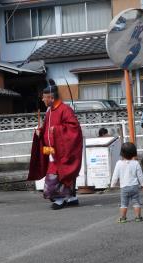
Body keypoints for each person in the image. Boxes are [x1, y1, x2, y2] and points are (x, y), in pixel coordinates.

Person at [28, 79, 83, 210]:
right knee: (58, 174)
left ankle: (60, 199)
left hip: (63, 150)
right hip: (51, 150)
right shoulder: (49, 112)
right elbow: (46, 127)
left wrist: (57, 130)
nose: (42, 100)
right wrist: (40, 131)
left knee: (56, 175)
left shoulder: (65, 110)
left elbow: (74, 128)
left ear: (51, 98)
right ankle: (71, 198)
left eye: (44, 97)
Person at [110, 142, 143, 223]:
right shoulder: (136, 163)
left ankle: (123, 218)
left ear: (121, 153)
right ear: (134, 153)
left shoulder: (119, 163)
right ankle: (138, 217)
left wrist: (113, 184)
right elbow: (140, 175)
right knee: (136, 202)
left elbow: (115, 175)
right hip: (134, 186)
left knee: (124, 203)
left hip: (124, 187)